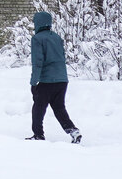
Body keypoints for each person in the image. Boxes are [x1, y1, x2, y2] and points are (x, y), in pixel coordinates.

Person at [29, 10, 82, 143]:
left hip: (47, 80)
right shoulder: (57, 37)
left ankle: (38, 134)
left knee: (38, 108)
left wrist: (34, 82)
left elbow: (37, 62)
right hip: (62, 80)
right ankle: (73, 131)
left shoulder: (37, 39)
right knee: (59, 108)